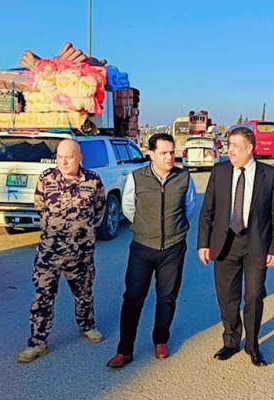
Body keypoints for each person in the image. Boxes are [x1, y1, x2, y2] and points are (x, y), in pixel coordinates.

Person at [198, 127, 274, 367]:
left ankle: (253, 345)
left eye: (235, 146)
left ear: (249, 148)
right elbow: (207, 211)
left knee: (254, 296)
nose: (230, 151)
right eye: (229, 145)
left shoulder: (270, 175)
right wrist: (203, 243)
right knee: (228, 297)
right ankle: (231, 341)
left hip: (256, 245)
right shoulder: (220, 171)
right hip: (225, 244)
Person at [106, 133, 197, 368]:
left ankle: (160, 340)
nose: (169, 157)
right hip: (142, 248)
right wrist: (145, 228)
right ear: (151, 154)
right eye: (163, 153)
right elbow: (129, 208)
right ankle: (125, 350)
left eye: (172, 152)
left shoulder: (184, 178)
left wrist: (173, 230)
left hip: (173, 248)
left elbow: (189, 208)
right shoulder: (137, 178)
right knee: (133, 297)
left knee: (167, 297)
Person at [17, 139, 106, 364]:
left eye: (69, 157)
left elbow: (99, 210)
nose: (64, 161)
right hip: (50, 253)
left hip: (81, 252)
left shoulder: (93, 181)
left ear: (80, 157)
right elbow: (40, 206)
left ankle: (87, 326)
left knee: (84, 293)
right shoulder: (46, 178)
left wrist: (82, 232)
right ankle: (37, 342)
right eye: (60, 157)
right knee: (43, 297)